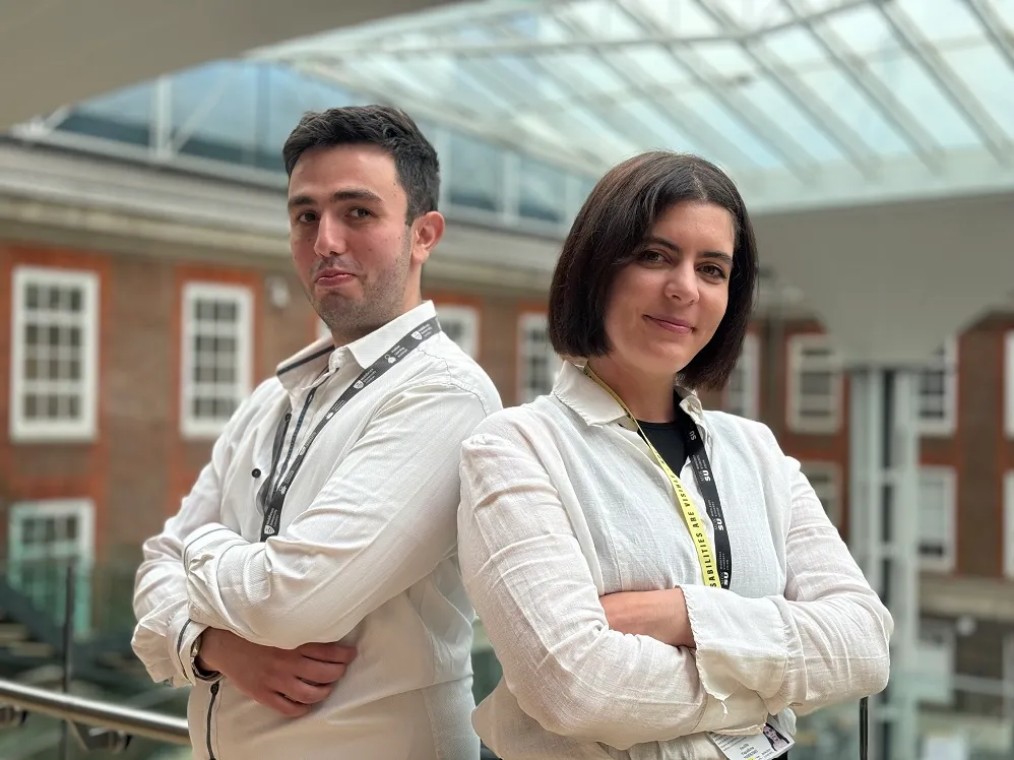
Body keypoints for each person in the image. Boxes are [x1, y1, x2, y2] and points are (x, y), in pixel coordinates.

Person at [457, 151, 893, 759]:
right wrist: (766, 690)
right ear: (595, 268)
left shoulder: (756, 454)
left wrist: (681, 615)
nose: (684, 288)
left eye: (712, 269)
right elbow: (573, 689)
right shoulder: (516, 448)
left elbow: (865, 646)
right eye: (654, 256)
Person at [132, 105, 501, 760]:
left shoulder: (445, 395)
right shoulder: (270, 400)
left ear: (424, 234)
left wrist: (197, 549)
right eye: (306, 216)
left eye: (357, 212)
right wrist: (214, 647)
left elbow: (294, 601)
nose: (325, 240)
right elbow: (152, 576)